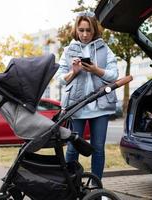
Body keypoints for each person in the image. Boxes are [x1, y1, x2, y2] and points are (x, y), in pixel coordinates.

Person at [56, 11, 119, 180]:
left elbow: (114, 75)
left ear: (94, 31)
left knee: (98, 148)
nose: (84, 34)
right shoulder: (68, 50)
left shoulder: (105, 49)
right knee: (72, 148)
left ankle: (96, 187)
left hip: (101, 107)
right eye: (81, 30)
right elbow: (60, 79)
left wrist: (96, 70)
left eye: (88, 30)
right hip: (77, 107)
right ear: (76, 29)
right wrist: (74, 72)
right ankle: (70, 186)